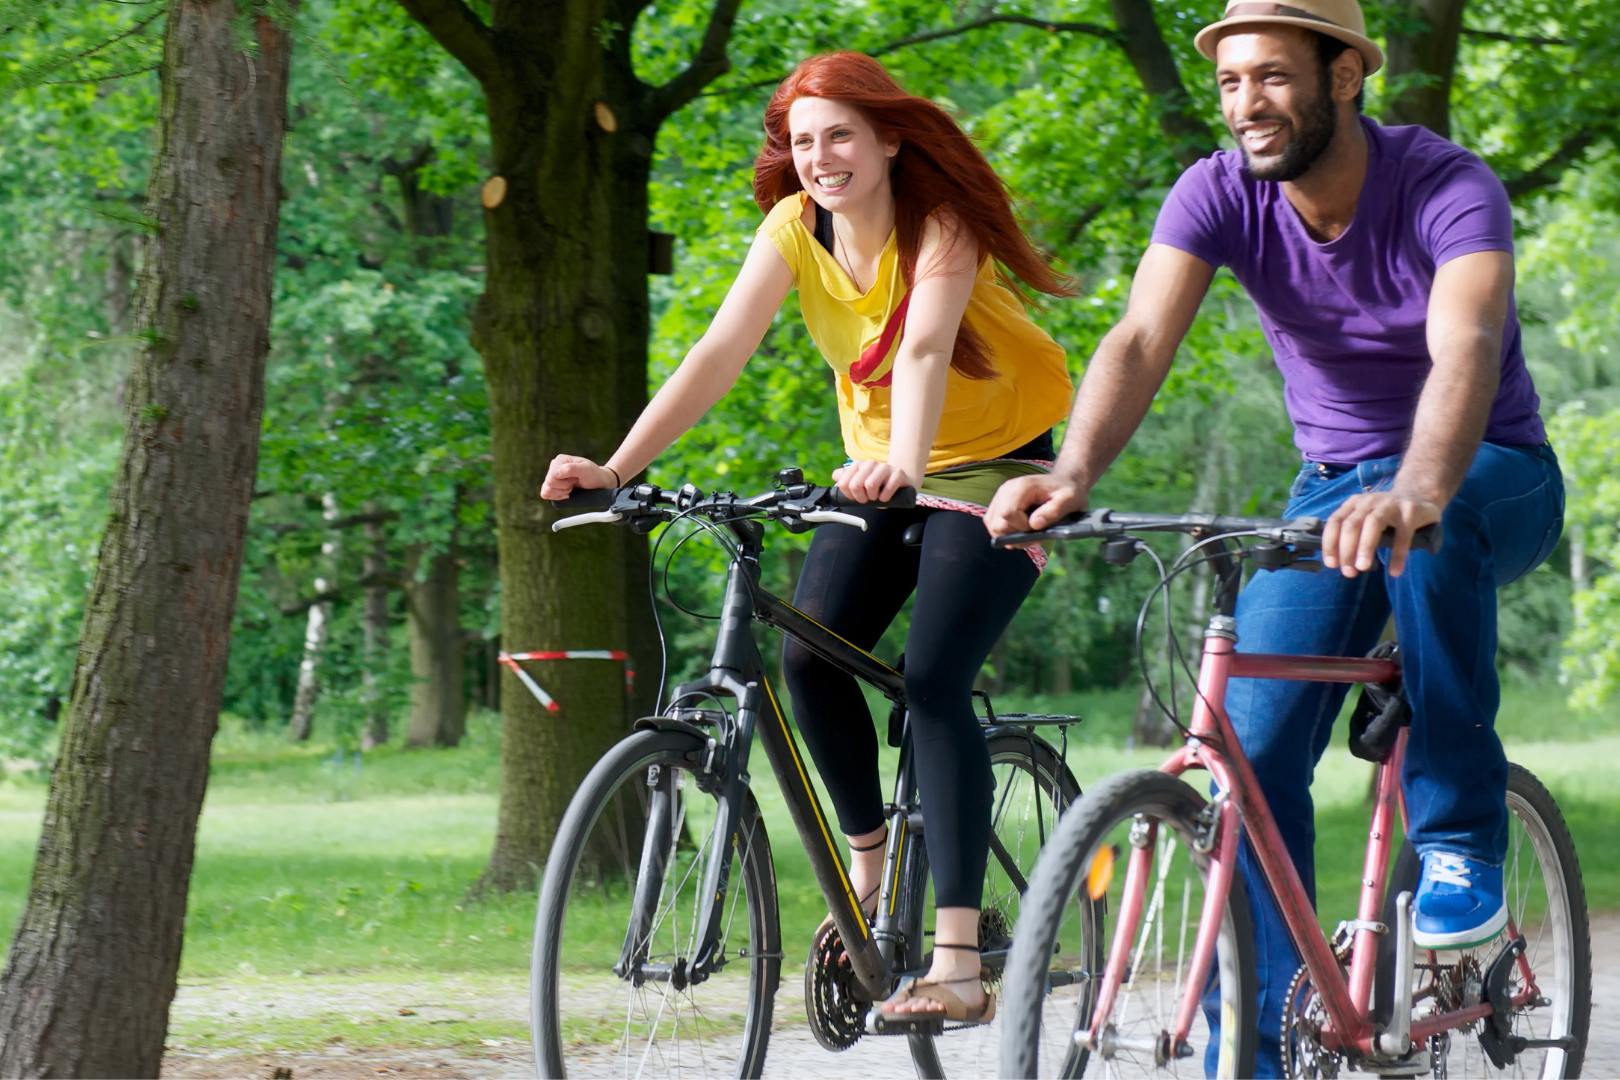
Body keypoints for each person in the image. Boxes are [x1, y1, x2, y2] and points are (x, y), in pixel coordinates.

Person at [986, 0, 1563, 1072]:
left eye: (1274, 77)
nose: (1248, 104)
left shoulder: (1448, 184)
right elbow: (1140, 337)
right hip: (1330, 489)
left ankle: (1457, 847)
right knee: (1244, 759)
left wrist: (1420, 486)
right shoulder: (1215, 190)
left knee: (1420, 538)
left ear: (1344, 75)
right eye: (1231, 83)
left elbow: (1468, 343)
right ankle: (1254, 1055)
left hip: (1490, 470)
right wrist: (1066, 472)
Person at [541, 51, 1074, 1024]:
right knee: (808, 654)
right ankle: (867, 870)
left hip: (997, 463)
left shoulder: (939, 223)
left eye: (840, 136)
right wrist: (617, 469)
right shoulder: (794, 228)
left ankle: (959, 961)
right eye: (802, 141)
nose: (820, 157)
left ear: (888, 140)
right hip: (885, 465)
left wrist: (906, 465)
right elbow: (718, 350)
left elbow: (921, 345)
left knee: (933, 680)